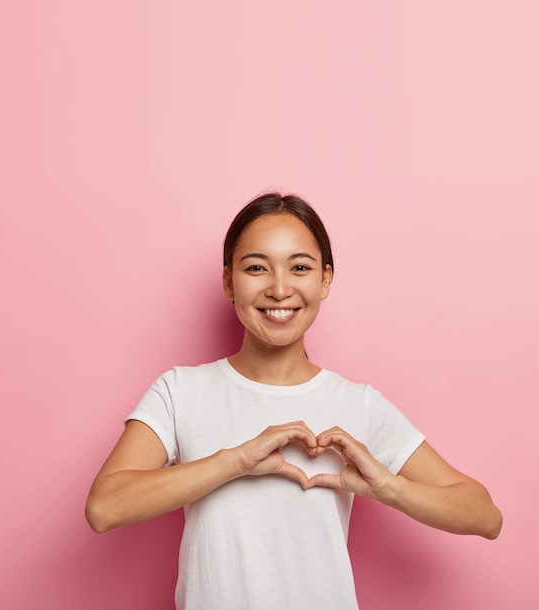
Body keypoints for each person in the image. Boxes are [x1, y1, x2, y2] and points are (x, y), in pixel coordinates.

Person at [86, 192, 502, 609]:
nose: (280, 289)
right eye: (256, 268)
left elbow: (484, 516)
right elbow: (105, 506)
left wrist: (389, 488)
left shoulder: (359, 404)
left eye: (299, 268)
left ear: (324, 280)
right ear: (229, 281)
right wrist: (236, 461)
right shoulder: (180, 391)